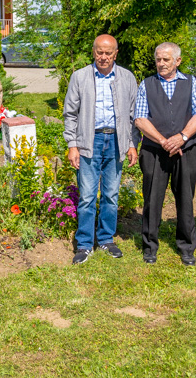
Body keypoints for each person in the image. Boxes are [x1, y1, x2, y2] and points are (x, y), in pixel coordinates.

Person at [63, 34, 138, 264]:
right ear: (93, 52)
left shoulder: (127, 77)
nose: (103, 57)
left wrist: (132, 144)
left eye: (108, 53)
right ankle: (85, 244)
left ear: (116, 54)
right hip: (89, 141)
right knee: (86, 196)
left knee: (111, 194)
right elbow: (70, 114)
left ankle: (106, 239)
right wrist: (72, 144)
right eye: (99, 52)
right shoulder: (80, 77)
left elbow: (134, 115)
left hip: (116, 142)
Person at [135, 42, 196, 265]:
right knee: (152, 198)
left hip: (185, 150)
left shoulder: (191, 84)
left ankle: (186, 246)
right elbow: (140, 118)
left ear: (178, 61)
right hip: (154, 151)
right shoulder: (146, 84)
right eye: (158, 59)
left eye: (166, 59)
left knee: (186, 198)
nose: (161, 63)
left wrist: (182, 137)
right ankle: (149, 245)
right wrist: (163, 140)